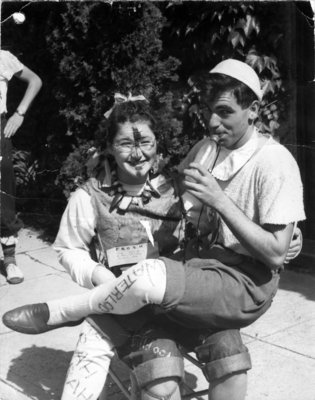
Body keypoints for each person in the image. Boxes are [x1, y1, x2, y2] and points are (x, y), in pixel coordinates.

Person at [3, 59, 304, 400]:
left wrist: (285, 234)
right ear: (108, 148)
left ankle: (67, 311)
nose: (136, 154)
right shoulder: (95, 194)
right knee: (127, 370)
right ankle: (90, 315)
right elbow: (68, 248)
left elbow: (262, 236)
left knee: (229, 358)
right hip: (142, 291)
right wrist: (100, 275)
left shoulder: (176, 184)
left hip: (202, 285)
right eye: (124, 145)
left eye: (145, 143)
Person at [0, 49, 42, 284]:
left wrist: (20, 113)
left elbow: (35, 80)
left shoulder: (2, 57)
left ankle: (10, 260)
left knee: (3, 192)